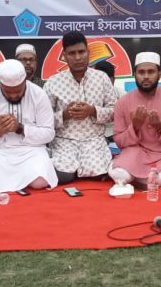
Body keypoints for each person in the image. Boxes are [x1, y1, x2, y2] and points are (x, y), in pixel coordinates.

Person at [0, 59, 57, 193]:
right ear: (0, 83)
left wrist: (20, 128)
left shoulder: (39, 95)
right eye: (8, 92)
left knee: (40, 181)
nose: (14, 95)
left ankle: (8, 180)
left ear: (24, 81)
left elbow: (49, 134)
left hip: (32, 151)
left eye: (18, 91)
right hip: (1, 153)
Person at [44, 31, 117, 185]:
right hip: (64, 142)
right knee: (63, 176)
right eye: (72, 53)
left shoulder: (102, 78)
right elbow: (43, 120)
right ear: (64, 56)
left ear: (88, 52)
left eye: (81, 52)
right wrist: (64, 114)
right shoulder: (53, 82)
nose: (78, 57)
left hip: (94, 141)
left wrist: (92, 111)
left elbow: (114, 112)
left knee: (99, 174)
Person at [108, 52, 161, 187]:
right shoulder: (122, 102)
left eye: (151, 72)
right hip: (134, 153)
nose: (146, 76)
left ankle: (136, 179)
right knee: (119, 174)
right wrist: (135, 127)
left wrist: (160, 128)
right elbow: (119, 141)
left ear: (159, 74)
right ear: (134, 74)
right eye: (141, 72)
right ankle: (146, 179)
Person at [94, 60, 124, 141]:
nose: (104, 84)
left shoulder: (123, 95)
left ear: (113, 80)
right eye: (100, 80)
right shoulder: (88, 95)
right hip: (95, 133)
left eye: (107, 81)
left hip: (117, 132)